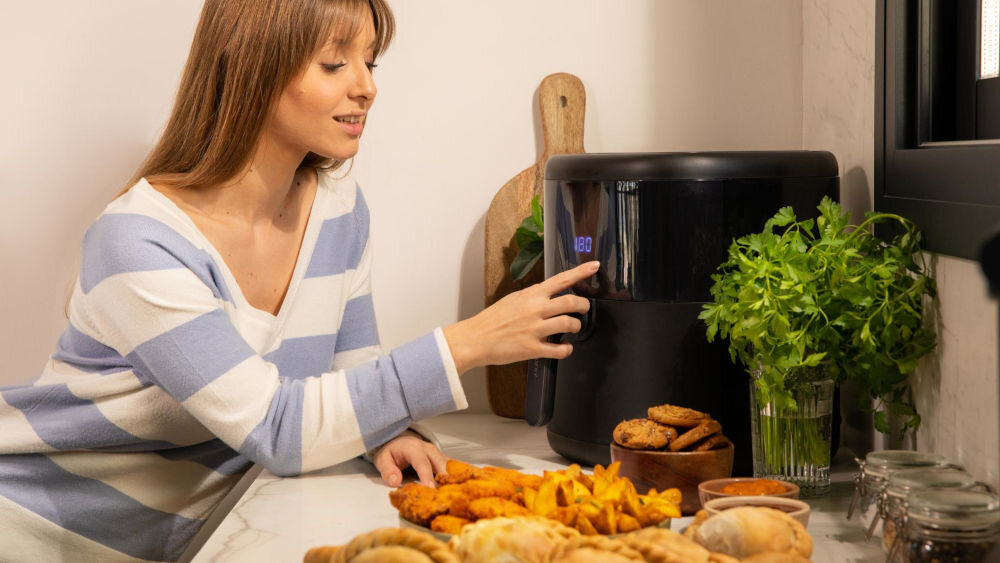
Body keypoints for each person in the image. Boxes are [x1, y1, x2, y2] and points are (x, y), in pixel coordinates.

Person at [0, 0, 594, 561]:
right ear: (253, 68)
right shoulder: (137, 242)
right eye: (334, 63)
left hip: (191, 540)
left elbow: (350, 371)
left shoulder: (339, 209)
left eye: (369, 62)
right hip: (40, 537)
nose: (366, 86)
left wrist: (387, 434)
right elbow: (276, 428)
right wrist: (469, 342)